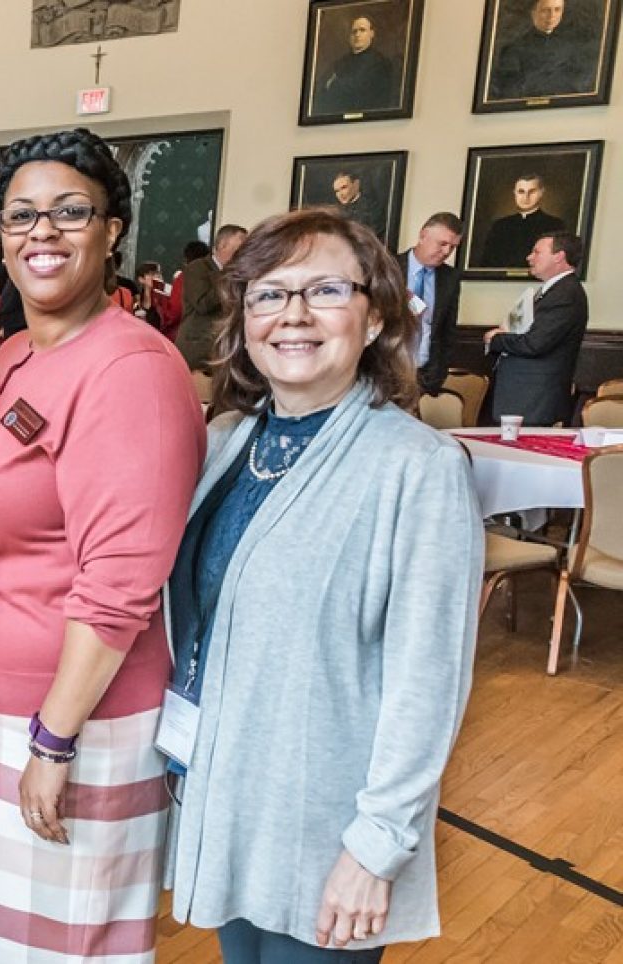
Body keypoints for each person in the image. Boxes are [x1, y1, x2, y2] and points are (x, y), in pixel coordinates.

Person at [165, 206, 481, 963]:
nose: (294, 315)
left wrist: (377, 848)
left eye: (326, 291)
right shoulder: (229, 441)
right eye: (269, 294)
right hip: (228, 791)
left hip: (325, 823)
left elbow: (426, 683)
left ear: (374, 319)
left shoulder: (416, 468)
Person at [0, 127, 204, 963]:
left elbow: (120, 582)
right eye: (21, 216)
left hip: (74, 717)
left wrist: (54, 739)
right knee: (10, 947)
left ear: (114, 229)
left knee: (69, 948)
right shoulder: (17, 352)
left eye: (70, 212)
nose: (42, 232)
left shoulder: (131, 369)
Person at [485, 231, 589, 426]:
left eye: (537, 252)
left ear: (559, 256)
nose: (529, 257)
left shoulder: (565, 293)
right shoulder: (556, 290)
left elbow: (535, 344)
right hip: (525, 397)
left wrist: (496, 339)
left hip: (534, 399)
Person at [401, 212, 463, 394]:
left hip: (426, 376)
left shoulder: (450, 277)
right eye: (442, 244)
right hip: (385, 372)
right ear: (423, 235)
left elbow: (448, 330)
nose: (446, 252)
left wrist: (439, 374)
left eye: (452, 247)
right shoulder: (389, 267)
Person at [489, 0, 598, 100]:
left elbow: (581, 86)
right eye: (545, 10)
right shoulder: (514, 49)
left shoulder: (574, 45)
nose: (552, 16)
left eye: (557, 10)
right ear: (533, 13)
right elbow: (509, 91)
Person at [175, 223, 246, 369]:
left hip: (227, 348)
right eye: (238, 249)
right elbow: (203, 304)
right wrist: (229, 277)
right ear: (222, 245)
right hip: (199, 347)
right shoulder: (198, 268)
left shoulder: (242, 274)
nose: (242, 254)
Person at [482, 174, 569, 268]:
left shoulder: (555, 225)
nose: (526, 197)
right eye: (521, 192)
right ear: (514, 193)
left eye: (532, 191)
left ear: (541, 193)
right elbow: (487, 261)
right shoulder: (499, 225)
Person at [316, 15, 398, 114]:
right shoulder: (340, 62)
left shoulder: (380, 62)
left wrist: (335, 84)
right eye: (354, 31)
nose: (357, 35)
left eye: (362, 30)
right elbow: (322, 89)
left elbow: (359, 90)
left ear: (371, 34)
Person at [330, 171, 387, 241]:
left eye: (344, 188)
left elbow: (375, 236)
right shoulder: (335, 211)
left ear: (356, 184)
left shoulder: (373, 207)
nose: (340, 194)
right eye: (337, 191)